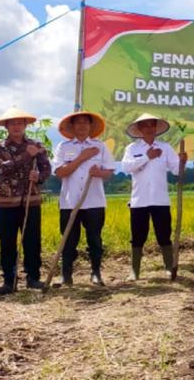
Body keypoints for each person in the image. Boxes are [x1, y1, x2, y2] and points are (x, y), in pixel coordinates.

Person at [0, 107, 52, 294]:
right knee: (7, 242)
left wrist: (38, 176)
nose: (16, 126)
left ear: (25, 125)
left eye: (20, 123)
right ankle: (9, 281)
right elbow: (1, 169)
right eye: (12, 123)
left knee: (32, 241)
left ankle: (33, 278)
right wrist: (27, 155)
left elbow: (46, 169)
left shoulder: (37, 145)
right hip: (6, 202)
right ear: (6, 126)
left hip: (30, 201)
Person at [52, 111, 116, 286]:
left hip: (94, 201)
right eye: (77, 123)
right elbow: (60, 172)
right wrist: (82, 158)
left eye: (85, 123)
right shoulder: (63, 147)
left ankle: (96, 273)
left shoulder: (100, 146)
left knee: (94, 239)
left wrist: (99, 173)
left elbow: (109, 172)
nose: (81, 126)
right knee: (68, 240)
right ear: (72, 127)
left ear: (90, 126)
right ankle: (66, 275)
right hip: (69, 201)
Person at [122, 113, 187, 280]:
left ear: (156, 128)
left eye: (152, 125)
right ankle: (134, 271)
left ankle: (168, 267)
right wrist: (147, 157)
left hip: (160, 199)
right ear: (139, 129)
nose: (149, 128)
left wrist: (182, 162)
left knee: (164, 234)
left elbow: (176, 170)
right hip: (139, 200)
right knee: (137, 237)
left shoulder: (165, 147)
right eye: (145, 125)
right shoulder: (132, 149)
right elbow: (127, 167)